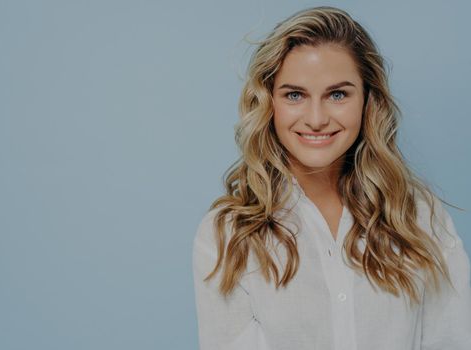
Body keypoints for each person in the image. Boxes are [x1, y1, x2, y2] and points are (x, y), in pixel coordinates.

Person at [191, 5, 471, 350]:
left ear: (368, 101)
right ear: (269, 103)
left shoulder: (419, 214)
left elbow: (453, 339)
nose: (316, 118)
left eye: (337, 94)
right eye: (295, 95)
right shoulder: (227, 233)